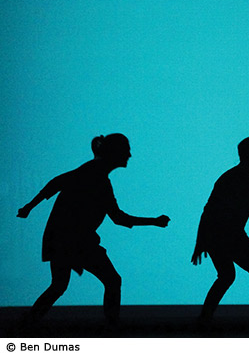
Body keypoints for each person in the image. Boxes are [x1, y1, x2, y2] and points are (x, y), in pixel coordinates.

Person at [17, 133, 170, 327]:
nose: (129, 155)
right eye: (126, 151)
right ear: (115, 153)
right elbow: (118, 218)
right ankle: (112, 326)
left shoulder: (90, 172)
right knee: (111, 281)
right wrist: (154, 221)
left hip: (62, 239)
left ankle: (30, 321)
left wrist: (29, 207)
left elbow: (56, 183)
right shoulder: (95, 176)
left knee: (59, 285)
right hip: (74, 241)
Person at [192, 137, 249, 331]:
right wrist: (200, 242)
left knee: (227, 276)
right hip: (228, 236)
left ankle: (205, 319)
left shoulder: (243, 180)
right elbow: (210, 212)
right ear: (247, 155)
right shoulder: (240, 181)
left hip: (221, 236)